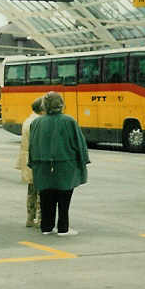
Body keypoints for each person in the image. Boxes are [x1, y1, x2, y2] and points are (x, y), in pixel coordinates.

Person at [29, 91, 90, 236]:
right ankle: (63, 228)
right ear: (61, 105)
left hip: (42, 167)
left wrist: (32, 163)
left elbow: (32, 146)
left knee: (46, 199)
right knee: (64, 200)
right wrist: (84, 161)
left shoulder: (36, 122)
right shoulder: (69, 121)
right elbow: (79, 144)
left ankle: (46, 227)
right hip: (65, 166)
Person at [14, 97, 45, 228]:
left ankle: (30, 218)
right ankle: (40, 219)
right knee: (41, 191)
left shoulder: (28, 120)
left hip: (26, 158)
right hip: (35, 159)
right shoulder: (38, 122)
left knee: (31, 190)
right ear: (42, 109)